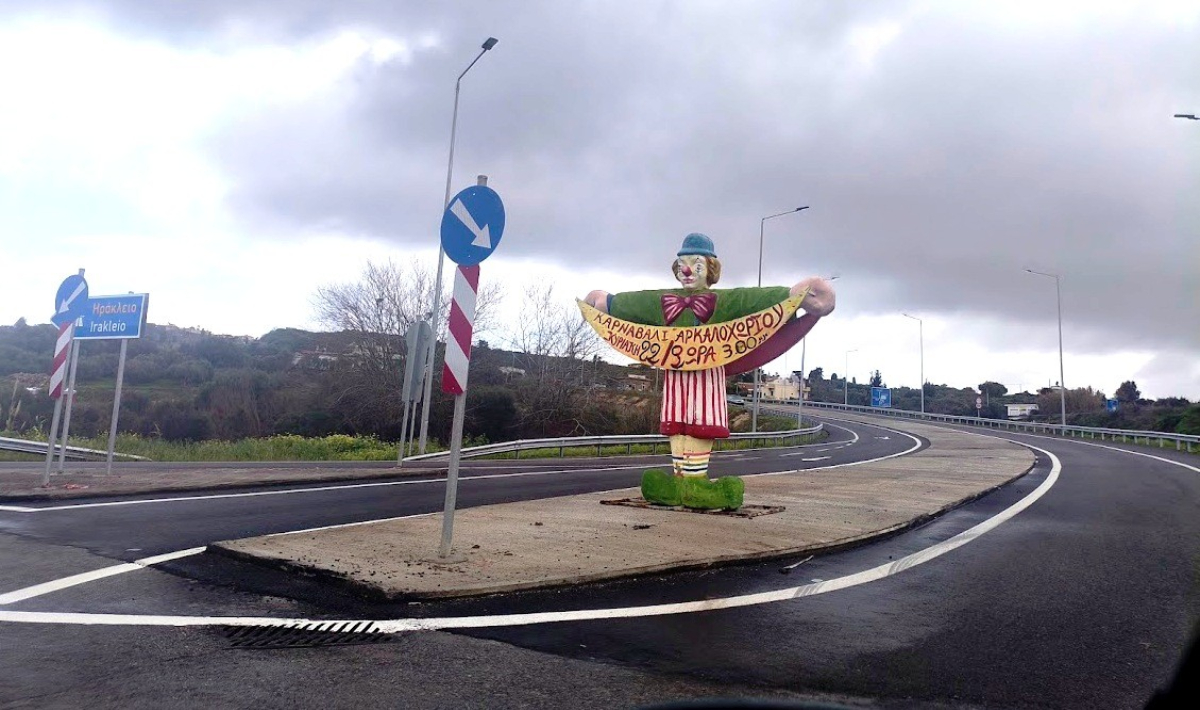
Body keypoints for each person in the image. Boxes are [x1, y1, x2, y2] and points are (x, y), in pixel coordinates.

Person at [584, 233, 835, 509]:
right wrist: (608, 302)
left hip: (707, 379)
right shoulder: (664, 300)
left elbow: (751, 299)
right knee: (677, 426)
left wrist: (794, 295)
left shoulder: (722, 301)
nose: (687, 270)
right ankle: (680, 481)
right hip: (676, 377)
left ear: (710, 268)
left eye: (696, 264)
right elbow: (637, 303)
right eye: (683, 264)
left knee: (700, 425)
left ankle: (696, 481)